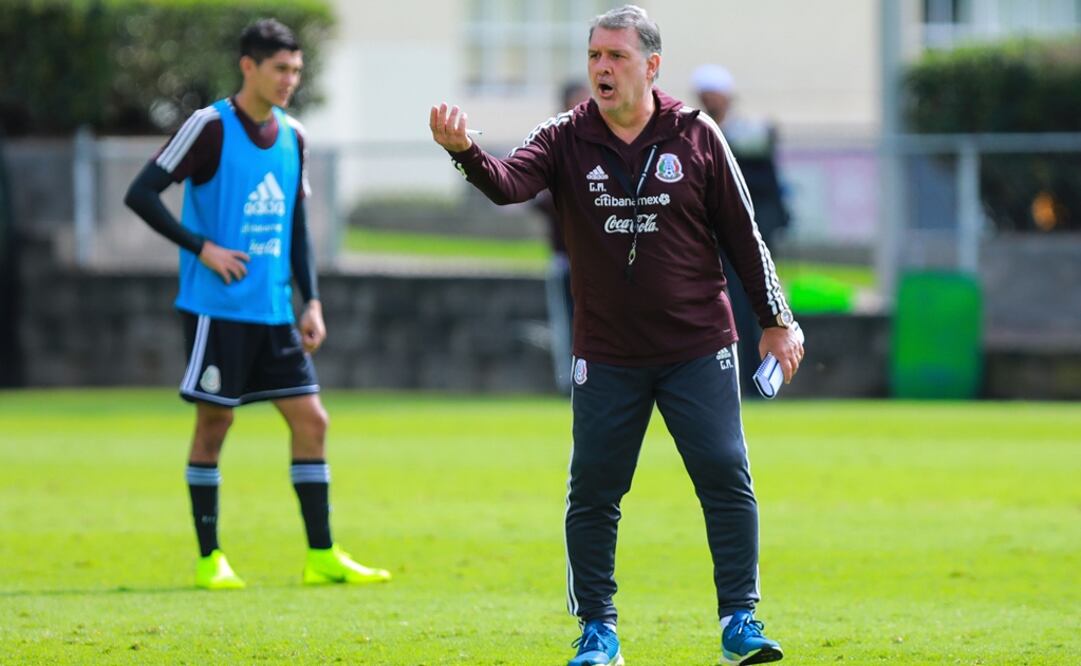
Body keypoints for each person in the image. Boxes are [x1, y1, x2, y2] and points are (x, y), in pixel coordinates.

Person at [429, 5, 802, 665]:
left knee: (723, 471)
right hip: (606, 352)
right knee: (595, 487)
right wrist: (465, 154)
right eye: (594, 56)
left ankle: (739, 622)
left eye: (616, 57)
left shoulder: (696, 134)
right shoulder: (564, 135)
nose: (601, 68)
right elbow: (510, 185)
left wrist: (777, 322)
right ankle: (598, 629)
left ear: (650, 66)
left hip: (697, 345)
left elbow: (745, 237)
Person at [124, 18, 390, 591]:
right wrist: (204, 248)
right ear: (249, 66)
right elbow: (140, 192)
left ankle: (322, 555)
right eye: (280, 69)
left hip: (274, 313)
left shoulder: (294, 136)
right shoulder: (209, 127)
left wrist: (311, 301)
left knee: (312, 421)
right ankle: (209, 558)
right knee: (214, 424)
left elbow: (296, 227)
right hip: (216, 310)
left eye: (296, 69)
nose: (290, 79)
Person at [692, 64, 792, 397]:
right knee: (726, 308)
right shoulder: (699, 135)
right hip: (719, 239)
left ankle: (757, 381)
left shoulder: (742, 136)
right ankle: (735, 380)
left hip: (752, 236)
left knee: (757, 308)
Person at [534, 80, 591, 395]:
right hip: (566, 258)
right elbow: (537, 197)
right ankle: (568, 381)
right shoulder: (553, 144)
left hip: (601, 263)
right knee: (567, 323)